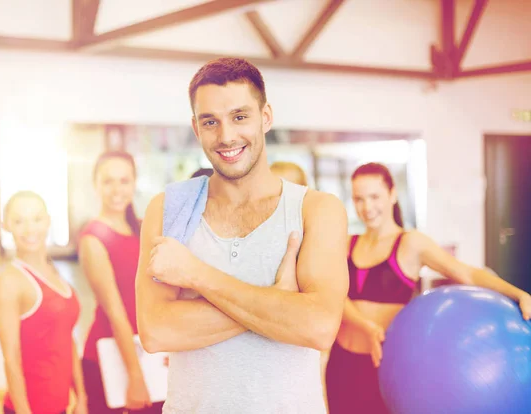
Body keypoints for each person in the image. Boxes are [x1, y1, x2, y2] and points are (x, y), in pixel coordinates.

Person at [135, 57, 349, 413]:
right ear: (196, 127)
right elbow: (157, 332)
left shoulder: (317, 210)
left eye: (239, 116)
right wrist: (279, 304)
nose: (226, 136)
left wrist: (196, 275)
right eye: (210, 122)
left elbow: (318, 326)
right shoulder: (170, 208)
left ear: (265, 117)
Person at [322, 162, 531, 413]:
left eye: (374, 196)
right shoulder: (347, 243)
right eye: (359, 199)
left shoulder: (411, 243)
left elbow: (466, 272)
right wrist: (365, 327)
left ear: (392, 194)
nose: (367, 207)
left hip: (384, 367)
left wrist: (517, 293)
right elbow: (332, 293)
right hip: (341, 362)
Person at [78, 151, 163, 413]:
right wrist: (135, 376)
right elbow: (116, 313)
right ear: (96, 185)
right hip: (110, 361)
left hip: (147, 352)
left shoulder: (142, 227)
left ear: (134, 183)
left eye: (124, 181)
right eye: (108, 181)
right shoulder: (93, 239)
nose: (117, 190)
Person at [0, 191, 86, 414]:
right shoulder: (10, 282)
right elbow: (11, 359)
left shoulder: (53, 271)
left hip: (61, 407)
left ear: (48, 221)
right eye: (19, 221)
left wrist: (82, 396)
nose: (29, 229)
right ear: (6, 225)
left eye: (36, 219)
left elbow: (67, 338)